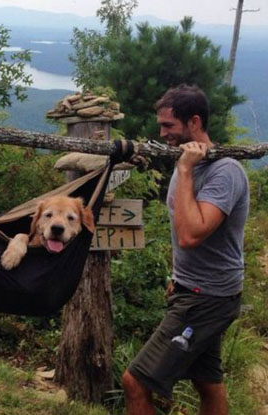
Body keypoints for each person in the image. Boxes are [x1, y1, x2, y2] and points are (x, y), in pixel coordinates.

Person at [121, 84, 249, 415]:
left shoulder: (225, 172)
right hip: (192, 290)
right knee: (207, 383)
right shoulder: (187, 167)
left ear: (194, 122)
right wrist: (175, 276)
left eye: (168, 126)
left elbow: (192, 234)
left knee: (135, 382)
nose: (161, 133)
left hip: (207, 299)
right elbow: (179, 231)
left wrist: (185, 169)